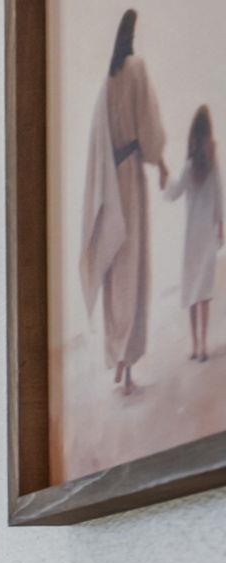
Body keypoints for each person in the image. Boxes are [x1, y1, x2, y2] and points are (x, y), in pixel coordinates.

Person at [78, 8, 169, 395]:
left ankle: (117, 358)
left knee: (116, 272)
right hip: (130, 180)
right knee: (132, 269)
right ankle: (126, 368)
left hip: (111, 184)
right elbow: (148, 126)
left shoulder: (107, 81)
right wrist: (161, 164)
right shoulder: (136, 69)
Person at [167, 105, 223, 361]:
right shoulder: (212, 162)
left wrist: (163, 178)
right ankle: (203, 347)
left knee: (191, 291)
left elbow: (174, 192)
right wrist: (221, 226)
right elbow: (219, 194)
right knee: (204, 294)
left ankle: (194, 345)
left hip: (192, 238)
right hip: (207, 234)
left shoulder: (189, 165)